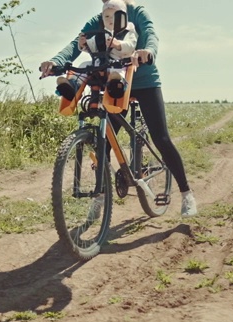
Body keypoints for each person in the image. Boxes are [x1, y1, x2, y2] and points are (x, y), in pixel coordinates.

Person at [40, 0, 197, 217]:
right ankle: (99, 196)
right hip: (114, 84)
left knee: (161, 138)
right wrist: (56, 61)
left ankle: (186, 194)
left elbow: (150, 34)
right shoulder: (100, 18)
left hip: (143, 81)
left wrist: (148, 51)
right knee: (103, 143)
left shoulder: (135, 13)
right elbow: (76, 43)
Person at [56, 0, 137, 100]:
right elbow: (93, 46)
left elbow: (131, 46)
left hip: (118, 63)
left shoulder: (127, 33)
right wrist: (84, 44)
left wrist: (119, 44)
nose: (110, 19)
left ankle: (117, 85)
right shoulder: (101, 34)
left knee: (117, 71)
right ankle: (72, 86)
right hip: (100, 64)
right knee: (84, 65)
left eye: (114, 16)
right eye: (106, 16)